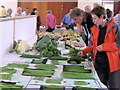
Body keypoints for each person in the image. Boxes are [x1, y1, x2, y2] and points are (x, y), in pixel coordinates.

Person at [75, 6, 120, 89]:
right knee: (101, 86)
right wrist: (84, 51)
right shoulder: (95, 29)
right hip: (99, 63)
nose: (93, 21)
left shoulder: (114, 27)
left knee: (114, 87)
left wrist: (104, 47)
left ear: (102, 17)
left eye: (95, 18)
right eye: (92, 18)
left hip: (112, 64)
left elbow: (118, 44)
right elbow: (94, 45)